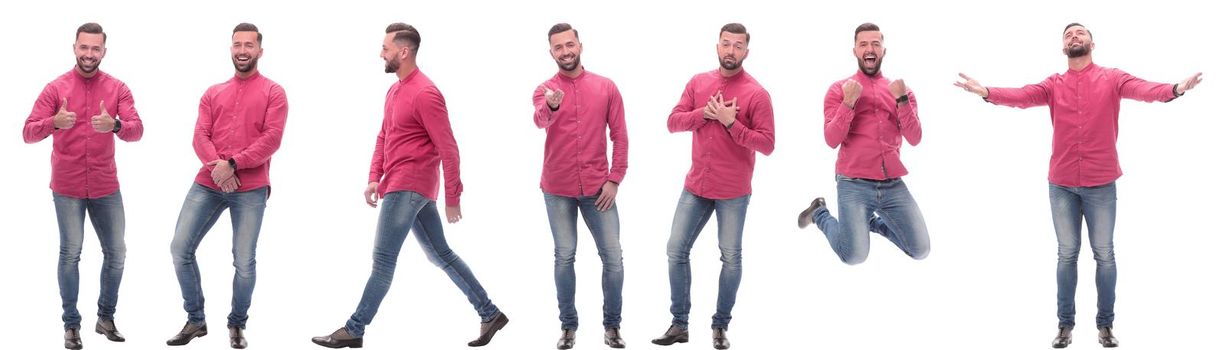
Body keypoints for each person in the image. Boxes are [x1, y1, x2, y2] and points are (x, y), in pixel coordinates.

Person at [954, 22, 1203, 349]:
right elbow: (1023, 96)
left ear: (1092, 43)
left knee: (1105, 255)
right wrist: (987, 92)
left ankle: (1105, 325)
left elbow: (1144, 89)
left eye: (1080, 33)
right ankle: (1065, 325)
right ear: (1063, 48)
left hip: (1102, 184)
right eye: (1068, 35)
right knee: (1067, 255)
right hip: (1062, 185)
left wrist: (1175, 88)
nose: (1074, 37)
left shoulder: (1112, 78)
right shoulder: (1054, 85)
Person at [311, 22, 509, 349]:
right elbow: (384, 136)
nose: (381, 53)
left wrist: (453, 196)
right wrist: (375, 176)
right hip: (400, 185)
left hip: (410, 187)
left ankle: (354, 328)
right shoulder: (395, 90)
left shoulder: (426, 93)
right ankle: (489, 313)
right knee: (441, 254)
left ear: (403, 52)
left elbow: (449, 147)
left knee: (383, 262)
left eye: (386, 48)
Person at [651, 22, 774, 350]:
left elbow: (767, 144)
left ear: (747, 51)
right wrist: (703, 114)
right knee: (675, 249)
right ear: (716, 46)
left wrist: (731, 122)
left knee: (731, 257)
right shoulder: (698, 82)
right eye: (725, 44)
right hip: (696, 186)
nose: (730, 50)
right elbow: (672, 121)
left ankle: (720, 326)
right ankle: (679, 324)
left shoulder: (757, 94)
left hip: (733, 191)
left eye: (737, 46)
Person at [166, 22, 288, 349]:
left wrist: (233, 164)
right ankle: (195, 320)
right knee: (180, 248)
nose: (243, 51)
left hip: (251, 188)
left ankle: (237, 324)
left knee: (244, 260)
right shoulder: (212, 92)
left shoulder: (274, 92)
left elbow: (272, 139)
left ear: (260, 51)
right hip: (208, 182)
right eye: (238, 45)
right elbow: (199, 136)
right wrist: (219, 168)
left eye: (249, 45)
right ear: (231, 49)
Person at [23, 22, 144, 350]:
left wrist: (116, 125)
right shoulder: (54, 88)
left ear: (104, 51)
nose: (89, 54)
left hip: (106, 185)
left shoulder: (118, 88)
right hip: (67, 187)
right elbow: (28, 132)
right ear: (74, 48)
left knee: (116, 253)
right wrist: (54, 123)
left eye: (95, 49)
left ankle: (105, 318)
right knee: (70, 253)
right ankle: (71, 326)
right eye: (84, 47)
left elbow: (137, 130)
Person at [797, 22, 931, 265]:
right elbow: (831, 139)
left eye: (876, 44)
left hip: (891, 184)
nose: (870, 48)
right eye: (864, 44)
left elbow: (915, 138)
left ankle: (868, 222)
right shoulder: (839, 89)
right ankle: (819, 213)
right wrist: (848, 103)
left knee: (920, 250)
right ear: (855, 51)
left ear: (883, 51)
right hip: (853, 183)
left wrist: (901, 99)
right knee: (854, 256)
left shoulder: (902, 91)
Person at [532, 23, 629, 350]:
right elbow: (539, 119)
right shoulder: (545, 89)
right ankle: (568, 326)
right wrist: (553, 106)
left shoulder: (606, 87)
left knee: (613, 258)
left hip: (598, 190)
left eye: (569, 44)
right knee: (564, 256)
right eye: (558, 47)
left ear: (580, 45)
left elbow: (620, 137)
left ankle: (612, 326)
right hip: (556, 189)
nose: (565, 51)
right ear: (551, 53)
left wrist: (615, 179)